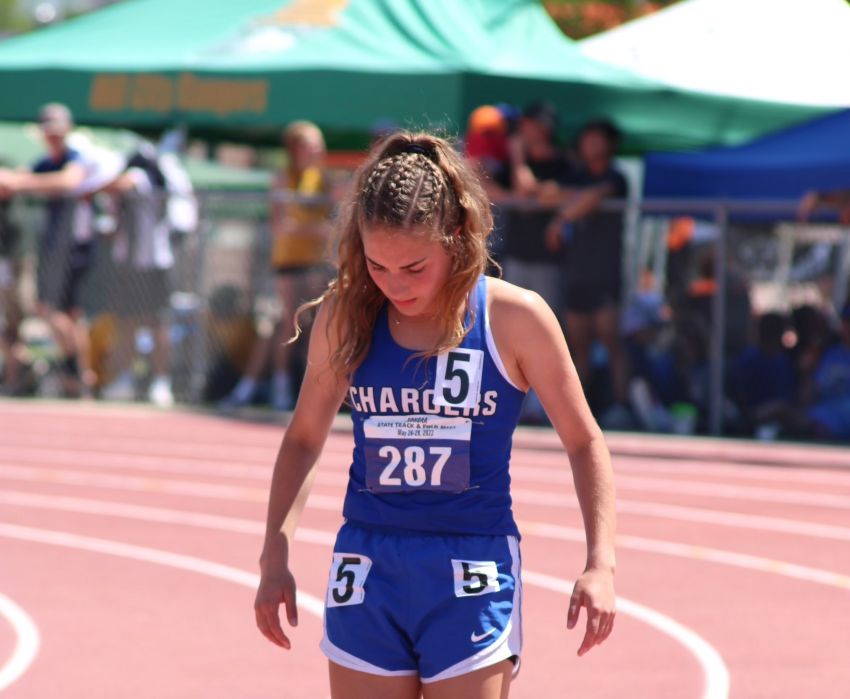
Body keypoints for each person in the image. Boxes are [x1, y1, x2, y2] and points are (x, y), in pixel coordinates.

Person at [253, 132, 617, 698]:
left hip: (472, 563)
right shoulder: (347, 316)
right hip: (368, 563)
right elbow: (303, 438)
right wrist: (274, 555)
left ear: (457, 237)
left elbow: (584, 441)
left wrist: (600, 563)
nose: (395, 284)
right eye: (377, 265)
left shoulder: (514, 318)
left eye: (414, 267)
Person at [220, 121, 333, 411]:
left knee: (311, 326)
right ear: (296, 148)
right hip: (289, 262)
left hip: (315, 263)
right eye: (312, 144)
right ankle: (277, 386)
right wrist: (316, 230)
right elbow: (281, 225)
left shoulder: (322, 178)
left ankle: (294, 388)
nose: (318, 149)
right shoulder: (283, 178)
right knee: (287, 323)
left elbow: (335, 214)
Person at [544, 119, 630, 427]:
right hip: (577, 273)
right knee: (578, 347)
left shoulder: (617, 177)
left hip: (606, 273)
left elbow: (597, 196)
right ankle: (575, 415)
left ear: (610, 143)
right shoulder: (576, 176)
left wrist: (562, 218)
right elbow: (546, 194)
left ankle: (621, 407)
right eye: (587, 138)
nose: (591, 144)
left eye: (598, 139)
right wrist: (571, 198)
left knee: (610, 339)